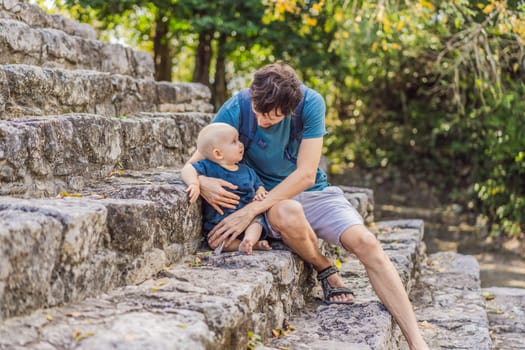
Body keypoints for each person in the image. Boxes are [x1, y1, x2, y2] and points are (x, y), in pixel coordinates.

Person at [183, 62, 429, 350]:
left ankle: (417, 342)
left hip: (312, 191)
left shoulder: (311, 103)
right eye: (259, 112)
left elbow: (306, 175)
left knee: (367, 242)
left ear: (291, 108)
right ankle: (325, 268)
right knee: (289, 212)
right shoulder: (238, 105)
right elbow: (193, 161)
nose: (262, 121)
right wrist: (203, 181)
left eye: (272, 117)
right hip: (269, 199)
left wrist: (247, 213)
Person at [181, 122, 272, 254]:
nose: (241, 144)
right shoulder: (208, 167)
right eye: (234, 142)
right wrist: (194, 183)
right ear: (218, 154)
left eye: (239, 139)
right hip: (219, 223)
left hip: (247, 218)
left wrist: (260, 193)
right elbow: (188, 169)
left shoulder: (247, 171)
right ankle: (243, 245)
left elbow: (259, 186)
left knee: (257, 222)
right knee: (216, 242)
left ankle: (250, 240)